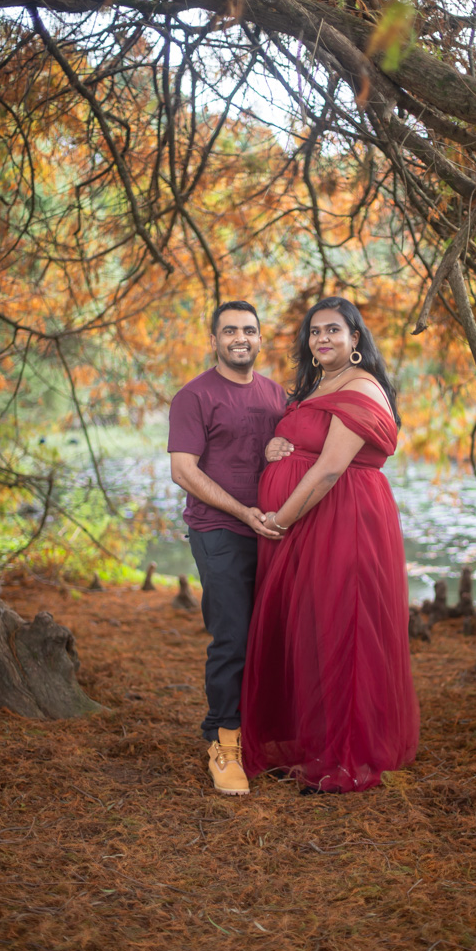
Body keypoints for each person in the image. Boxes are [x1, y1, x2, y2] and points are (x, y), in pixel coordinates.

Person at [240, 296, 420, 793]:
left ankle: (349, 758)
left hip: (343, 519)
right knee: (313, 630)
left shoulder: (360, 386)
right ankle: (317, 745)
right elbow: (305, 443)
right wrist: (275, 446)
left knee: (345, 629)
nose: (322, 338)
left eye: (333, 330)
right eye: (315, 331)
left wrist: (279, 520)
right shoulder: (318, 384)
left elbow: (329, 468)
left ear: (354, 338)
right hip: (310, 524)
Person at [168, 301, 287, 796]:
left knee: (273, 635)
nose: (241, 338)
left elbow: (295, 449)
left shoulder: (277, 394)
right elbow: (183, 470)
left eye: (249, 330)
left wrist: (279, 452)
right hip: (219, 529)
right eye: (230, 330)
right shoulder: (194, 396)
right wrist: (243, 511)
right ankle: (223, 742)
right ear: (214, 340)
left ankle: (262, 733)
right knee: (233, 636)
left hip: (274, 529)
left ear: (260, 339)